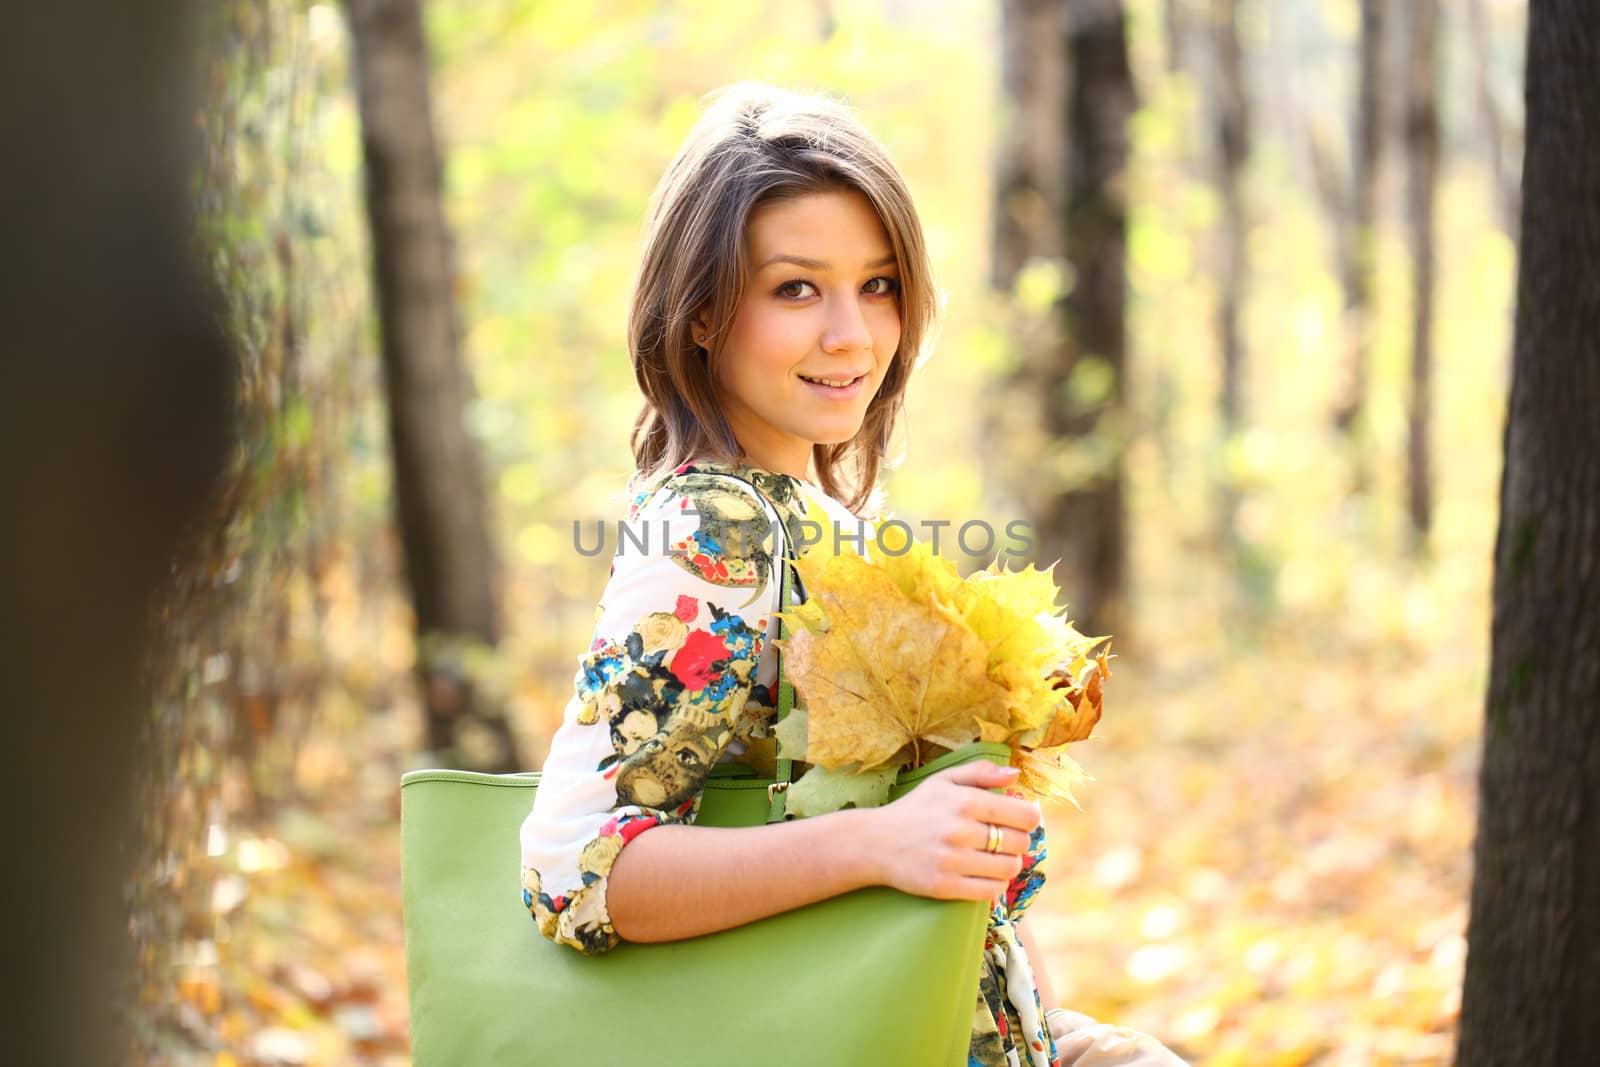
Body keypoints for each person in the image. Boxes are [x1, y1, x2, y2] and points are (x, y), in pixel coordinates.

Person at [519, 82, 1187, 1067]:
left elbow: (958, 876)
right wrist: (876, 842)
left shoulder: (827, 527)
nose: (852, 333)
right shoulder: (719, 530)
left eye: (877, 284)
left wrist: (1049, 1035)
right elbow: (573, 869)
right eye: (796, 287)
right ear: (700, 312)